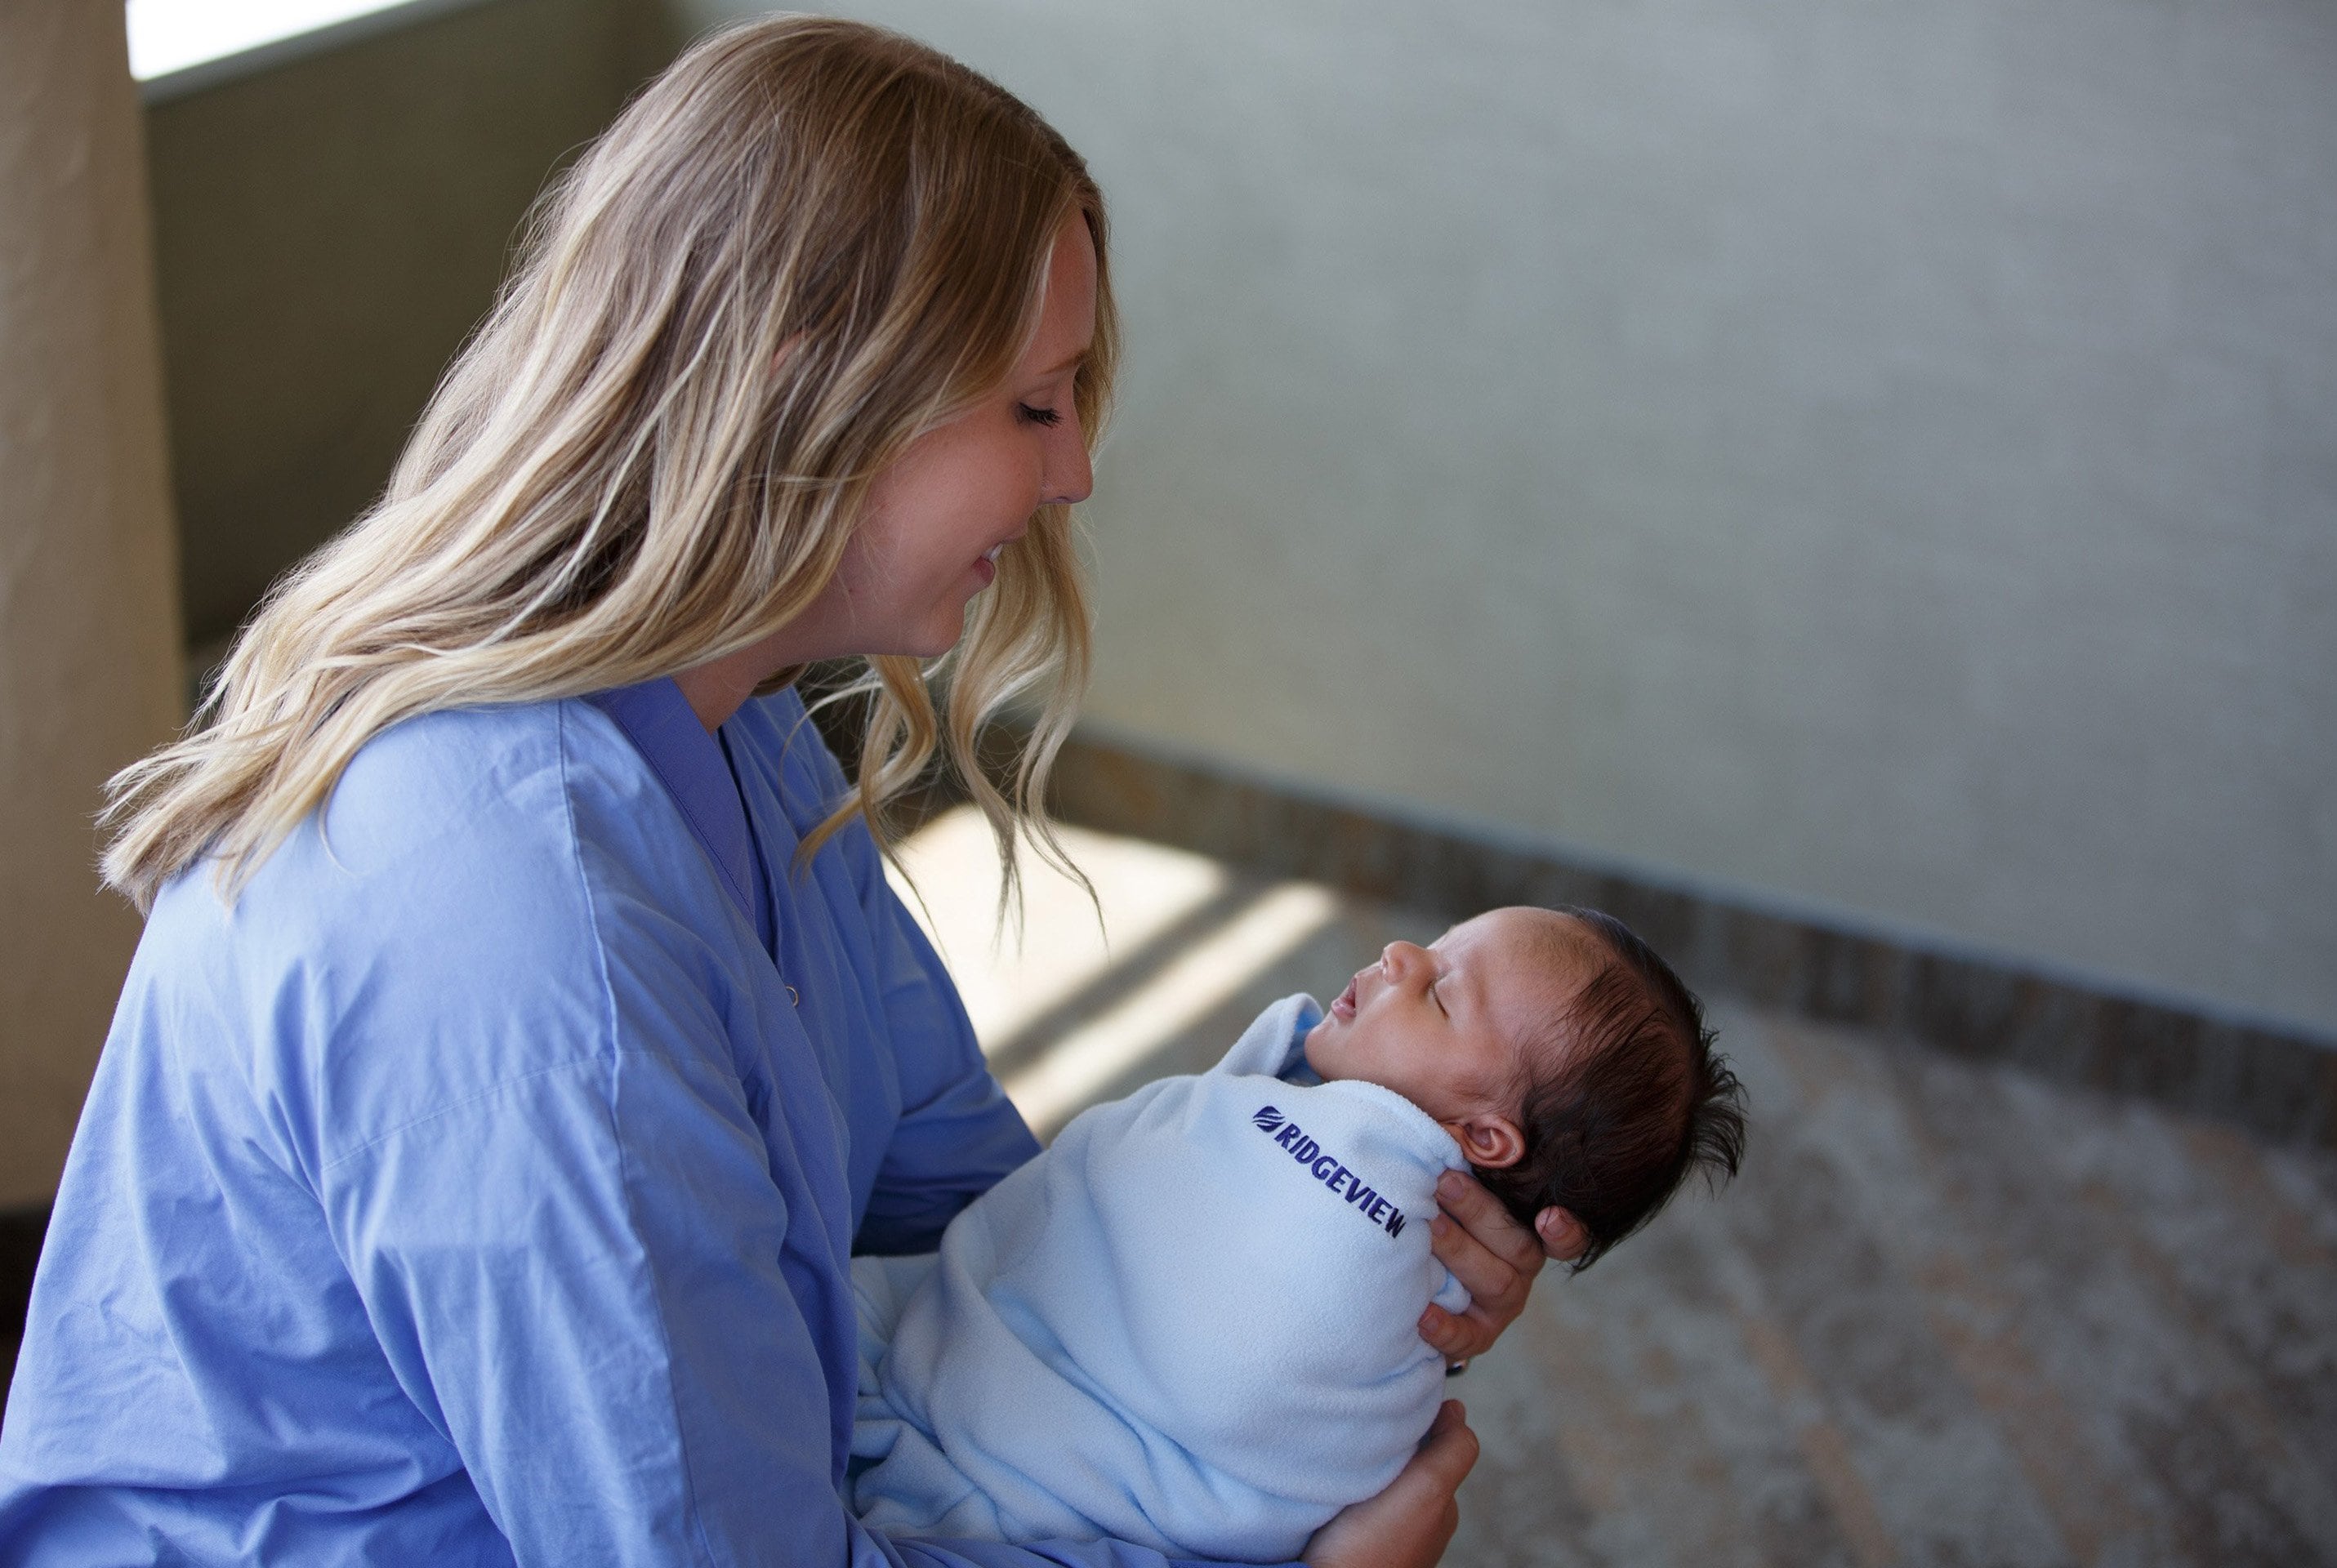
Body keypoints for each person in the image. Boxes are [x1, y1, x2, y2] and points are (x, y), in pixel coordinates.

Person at [0, 18, 1586, 1568]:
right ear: (811, 392)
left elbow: (967, 1206)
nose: (1071, 477)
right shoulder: (522, 938)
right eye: (1031, 405)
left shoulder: (731, 723)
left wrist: (1330, 1270)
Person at [847, 906, 1746, 1560]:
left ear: (1485, 1139)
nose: (1398, 954)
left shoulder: (1367, 1177)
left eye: (1437, 992)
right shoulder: (1409, 1234)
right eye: (1428, 947)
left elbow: (1276, 1346)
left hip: (1032, 1481)